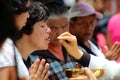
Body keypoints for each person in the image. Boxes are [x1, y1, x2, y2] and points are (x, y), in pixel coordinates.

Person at [28, 1, 97, 80]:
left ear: (69, 25)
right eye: (54, 28)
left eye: (64, 26)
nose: (60, 33)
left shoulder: (78, 51)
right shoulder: (35, 59)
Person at [0, 1, 50, 80]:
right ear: (25, 28)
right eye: (42, 26)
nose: (49, 30)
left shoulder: (28, 61)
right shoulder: (6, 52)